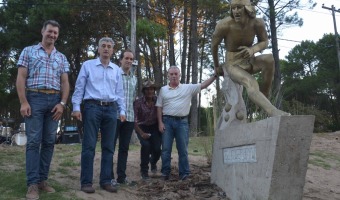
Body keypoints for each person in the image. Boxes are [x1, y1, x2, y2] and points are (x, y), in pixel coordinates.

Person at [16, 20, 70, 200]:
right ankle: (32, 184)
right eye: (50, 31)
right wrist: (24, 102)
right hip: (34, 99)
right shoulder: (28, 51)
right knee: (33, 142)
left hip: (54, 101)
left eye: (55, 33)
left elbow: (65, 83)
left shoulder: (61, 57)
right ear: (42, 31)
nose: (52, 35)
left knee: (48, 142)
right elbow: (21, 78)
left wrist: (62, 103)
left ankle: (42, 180)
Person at [211, 0, 290, 117]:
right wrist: (217, 66)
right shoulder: (224, 24)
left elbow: (265, 41)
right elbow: (214, 45)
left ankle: (264, 96)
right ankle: (273, 112)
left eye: (239, 7)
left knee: (269, 59)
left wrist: (252, 50)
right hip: (232, 64)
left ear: (247, 8)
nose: (235, 11)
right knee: (251, 83)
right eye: (233, 8)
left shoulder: (257, 23)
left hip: (250, 60)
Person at [71, 37, 126, 194]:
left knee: (108, 147)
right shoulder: (88, 65)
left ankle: (106, 181)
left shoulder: (116, 69)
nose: (106, 48)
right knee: (89, 145)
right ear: (98, 49)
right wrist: (76, 107)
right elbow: (80, 87)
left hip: (111, 109)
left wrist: (122, 110)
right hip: (92, 107)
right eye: (103, 46)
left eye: (109, 46)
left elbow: (120, 93)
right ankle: (86, 182)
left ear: (113, 50)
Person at [156, 66, 216, 181]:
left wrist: (215, 76)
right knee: (166, 149)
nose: (173, 76)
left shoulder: (187, 88)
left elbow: (203, 85)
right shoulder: (163, 90)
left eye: (176, 74)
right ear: (168, 76)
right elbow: (159, 107)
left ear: (180, 75)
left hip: (182, 122)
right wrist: (160, 123)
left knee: (183, 149)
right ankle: (165, 173)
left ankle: (184, 173)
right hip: (167, 122)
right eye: (171, 74)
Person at [113, 49, 137, 185]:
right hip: (116, 116)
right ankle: (108, 177)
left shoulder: (134, 79)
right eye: (126, 58)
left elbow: (133, 98)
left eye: (131, 59)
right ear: (120, 60)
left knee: (124, 148)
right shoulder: (115, 75)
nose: (129, 61)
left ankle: (121, 177)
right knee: (110, 146)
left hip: (129, 118)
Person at [133, 79, 162, 180]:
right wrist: (141, 133)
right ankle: (144, 171)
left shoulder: (158, 100)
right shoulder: (138, 102)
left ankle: (153, 162)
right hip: (142, 126)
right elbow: (134, 121)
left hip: (154, 126)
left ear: (154, 90)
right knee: (146, 146)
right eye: (147, 89)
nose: (150, 91)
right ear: (144, 91)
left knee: (157, 149)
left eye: (152, 89)